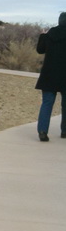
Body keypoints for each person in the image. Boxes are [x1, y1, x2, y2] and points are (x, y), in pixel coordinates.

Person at [35, 12, 66, 142]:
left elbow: (40, 50)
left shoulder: (50, 34)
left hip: (49, 74)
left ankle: (42, 131)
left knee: (47, 103)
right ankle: (64, 131)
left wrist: (42, 36)